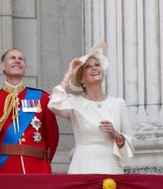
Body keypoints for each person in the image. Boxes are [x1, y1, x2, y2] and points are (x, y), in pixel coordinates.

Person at [48, 41, 133, 174]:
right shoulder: (74, 103)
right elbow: (53, 104)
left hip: (110, 166)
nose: (94, 68)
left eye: (97, 65)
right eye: (88, 67)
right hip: (82, 166)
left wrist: (116, 134)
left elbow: (130, 143)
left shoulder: (118, 103)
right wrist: (69, 73)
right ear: (81, 79)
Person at [0, 48, 59, 173]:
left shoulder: (42, 98)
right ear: (2, 66)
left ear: (25, 66)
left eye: (21, 59)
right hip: (6, 168)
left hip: (38, 168)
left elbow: (52, 136)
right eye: (12, 58)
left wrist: (43, 162)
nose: (17, 61)